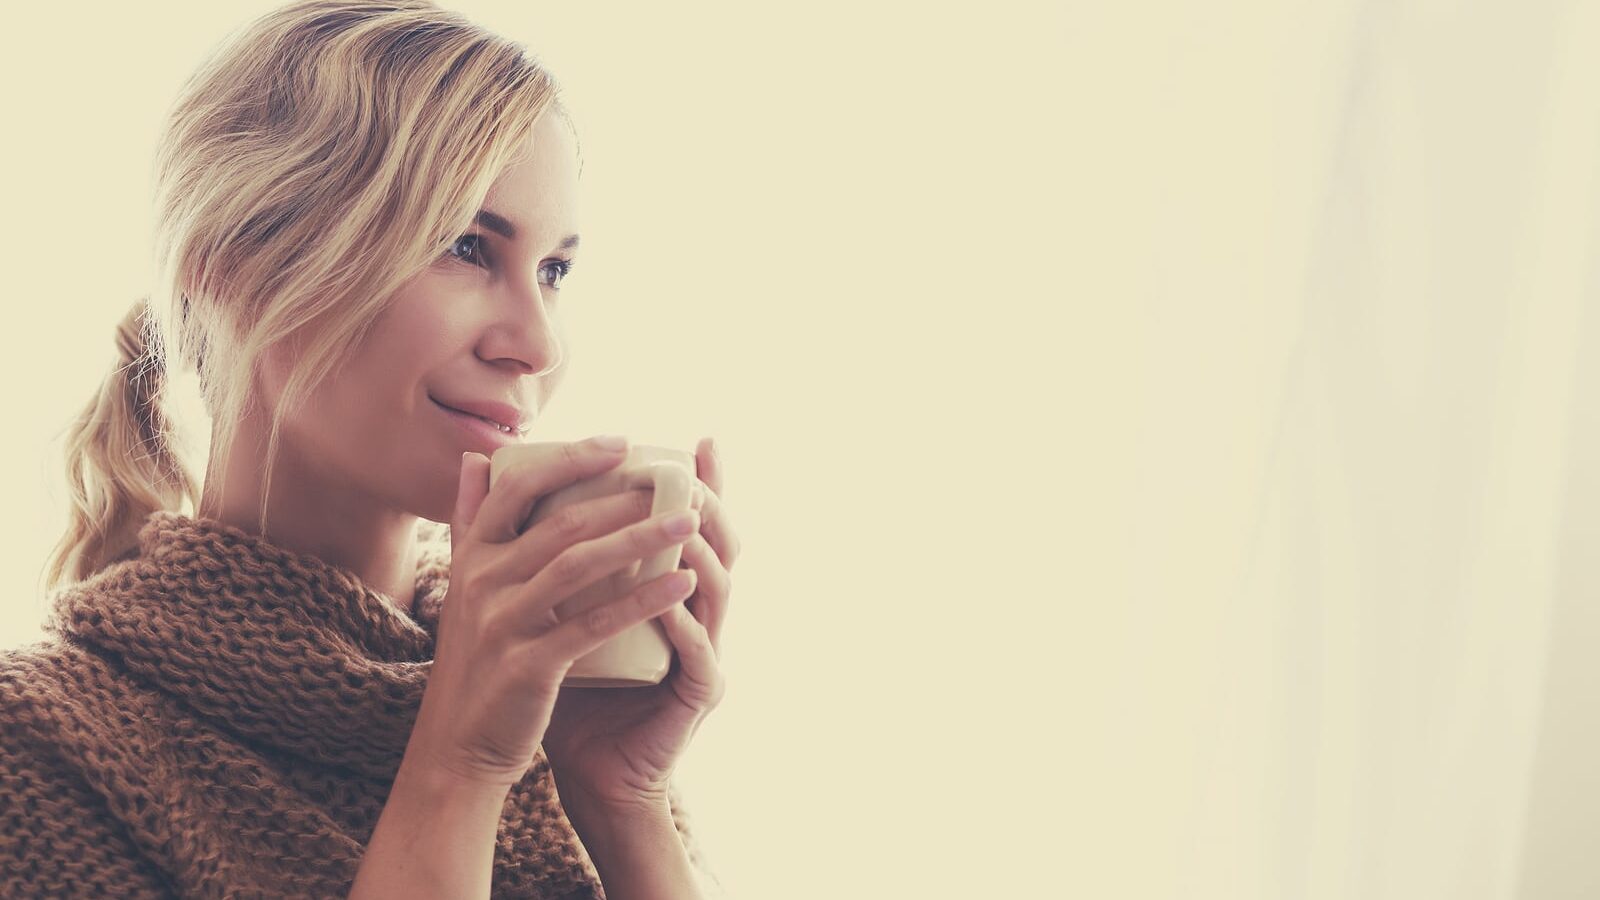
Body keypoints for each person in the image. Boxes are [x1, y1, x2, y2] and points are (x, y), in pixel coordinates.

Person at [0, 1, 741, 897]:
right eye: (466, 246)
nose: (538, 344)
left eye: (554, 272)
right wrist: (457, 767)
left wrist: (627, 805)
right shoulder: (38, 749)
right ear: (232, 273)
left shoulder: (556, 718)